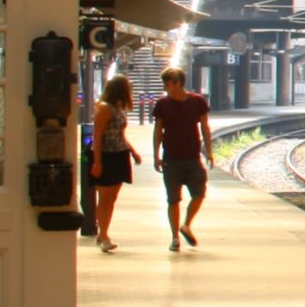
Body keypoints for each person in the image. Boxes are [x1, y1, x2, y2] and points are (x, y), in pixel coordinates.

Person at [150, 66, 214, 252]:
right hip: (171, 158)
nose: (165, 87)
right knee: (173, 200)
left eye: (168, 83)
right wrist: (155, 154)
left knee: (199, 194)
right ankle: (175, 237)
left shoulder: (197, 101)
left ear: (177, 83)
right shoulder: (162, 104)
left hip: (193, 157)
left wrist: (208, 151)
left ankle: (186, 225)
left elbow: (205, 127)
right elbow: (158, 130)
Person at [88, 75, 140, 252]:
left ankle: (103, 232)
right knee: (104, 197)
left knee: (112, 198)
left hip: (119, 154)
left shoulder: (119, 108)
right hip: (106, 156)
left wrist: (132, 152)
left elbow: (120, 135)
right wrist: (97, 162)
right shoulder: (105, 108)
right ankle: (103, 235)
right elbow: (97, 137)